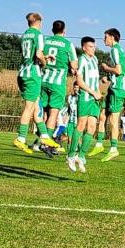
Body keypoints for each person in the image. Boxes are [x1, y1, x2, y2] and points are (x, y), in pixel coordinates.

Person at [13, 12, 59, 154]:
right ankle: (20, 138)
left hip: (23, 72)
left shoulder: (25, 34)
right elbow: (38, 55)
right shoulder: (38, 35)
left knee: (36, 107)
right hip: (32, 74)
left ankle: (44, 136)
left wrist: (45, 56)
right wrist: (44, 63)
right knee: (29, 107)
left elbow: (30, 55)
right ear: (40, 21)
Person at [34, 19, 78, 154]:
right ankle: (45, 143)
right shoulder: (68, 44)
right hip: (57, 83)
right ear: (64, 30)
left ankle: (41, 138)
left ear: (52, 30)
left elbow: (38, 56)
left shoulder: (46, 41)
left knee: (44, 112)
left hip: (43, 80)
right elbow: (74, 65)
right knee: (54, 113)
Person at [89, 28, 125, 162]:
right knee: (102, 115)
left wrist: (107, 69)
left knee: (113, 119)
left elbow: (119, 70)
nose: (104, 39)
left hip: (118, 90)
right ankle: (99, 144)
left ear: (112, 37)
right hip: (114, 87)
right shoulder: (118, 50)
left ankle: (114, 149)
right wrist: (109, 77)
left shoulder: (115, 50)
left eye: (105, 36)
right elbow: (119, 72)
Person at [67, 36, 102, 174]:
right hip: (86, 97)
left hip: (94, 99)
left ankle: (81, 156)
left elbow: (96, 79)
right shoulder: (81, 60)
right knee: (81, 125)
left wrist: (98, 92)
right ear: (84, 47)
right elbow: (79, 82)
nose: (93, 49)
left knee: (92, 127)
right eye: (90, 47)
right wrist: (93, 92)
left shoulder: (95, 59)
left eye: (94, 46)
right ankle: (70, 155)